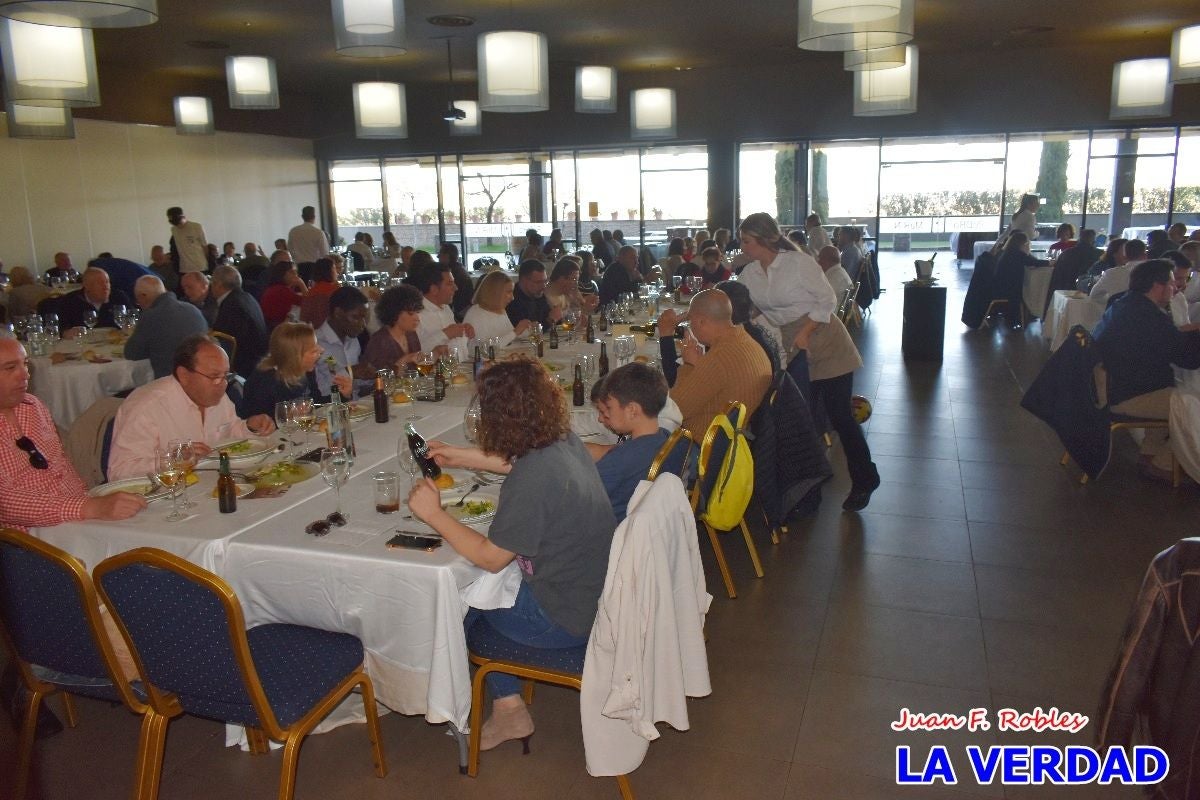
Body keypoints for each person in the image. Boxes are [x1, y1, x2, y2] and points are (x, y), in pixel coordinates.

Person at [407, 357, 616, 752]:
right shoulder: (561, 441)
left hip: (563, 619)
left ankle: (506, 708)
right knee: (479, 588)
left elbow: (490, 557)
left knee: (457, 607)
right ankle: (508, 704)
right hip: (594, 593)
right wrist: (458, 455)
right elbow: (520, 462)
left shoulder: (532, 480)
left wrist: (433, 514)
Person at [738, 212, 880, 511]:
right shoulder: (750, 273)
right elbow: (745, 307)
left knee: (839, 415)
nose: (742, 247)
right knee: (802, 419)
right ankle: (806, 489)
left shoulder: (798, 264)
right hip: (790, 345)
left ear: (764, 240)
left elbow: (827, 300)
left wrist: (806, 331)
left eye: (746, 241)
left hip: (824, 337)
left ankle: (865, 478)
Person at [0, 337, 146, 530]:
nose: (25, 375)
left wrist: (94, 502)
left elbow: (60, 467)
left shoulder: (32, 406)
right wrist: (90, 508)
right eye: (10, 368)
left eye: (25, 364)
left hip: (76, 520)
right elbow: (5, 503)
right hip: (26, 543)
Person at [107, 335, 275, 479]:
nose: (222, 384)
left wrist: (250, 427)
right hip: (166, 498)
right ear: (184, 375)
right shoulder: (146, 407)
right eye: (214, 376)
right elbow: (119, 472)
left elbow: (228, 433)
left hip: (208, 486)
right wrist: (173, 461)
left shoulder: (216, 394)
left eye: (226, 375)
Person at [1093, 259, 1200, 479]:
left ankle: (1150, 454)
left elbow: (1167, 343)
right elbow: (1188, 359)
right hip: (1127, 395)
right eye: (1172, 282)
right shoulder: (1149, 317)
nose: (1176, 287)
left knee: (1174, 388)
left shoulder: (1125, 304)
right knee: (1191, 403)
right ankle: (1164, 464)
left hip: (1112, 386)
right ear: (1157, 286)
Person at [653, 289, 771, 439]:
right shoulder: (744, 340)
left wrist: (688, 365)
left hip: (704, 445)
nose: (690, 326)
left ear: (702, 321)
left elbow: (674, 409)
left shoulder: (719, 357)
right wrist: (698, 365)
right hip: (732, 434)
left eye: (691, 321)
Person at [585, 363, 671, 521]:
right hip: (651, 523)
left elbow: (580, 497)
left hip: (614, 530)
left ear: (632, 410)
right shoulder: (665, 437)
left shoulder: (619, 463)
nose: (603, 415)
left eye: (609, 408)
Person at [239, 322, 351, 418]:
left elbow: (315, 403)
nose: (321, 350)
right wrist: (287, 415)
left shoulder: (306, 371)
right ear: (295, 357)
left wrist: (342, 396)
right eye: (313, 350)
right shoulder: (265, 381)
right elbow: (253, 422)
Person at [124, 275, 210, 378]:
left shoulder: (151, 316)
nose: (139, 304)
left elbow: (132, 354)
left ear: (143, 296)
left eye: (138, 301)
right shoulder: (193, 309)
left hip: (170, 382)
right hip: (202, 377)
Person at [210, 265, 269, 378]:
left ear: (218, 284)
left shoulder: (232, 306)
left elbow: (222, 343)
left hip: (245, 368)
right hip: (259, 359)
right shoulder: (247, 297)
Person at [314, 286, 373, 398]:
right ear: (338, 313)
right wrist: (352, 371)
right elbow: (329, 379)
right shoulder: (318, 343)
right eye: (356, 317)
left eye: (364, 318)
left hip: (354, 406)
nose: (363, 324)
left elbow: (356, 384)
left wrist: (373, 377)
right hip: (327, 407)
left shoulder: (353, 340)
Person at [362, 284, 427, 373]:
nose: (417, 318)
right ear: (395, 314)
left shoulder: (410, 334)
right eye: (411, 313)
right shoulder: (380, 341)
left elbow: (419, 370)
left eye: (417, 312)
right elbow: (376, 379)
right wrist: (404, 360)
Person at [411, 261, 474, 350]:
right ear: (434, 289)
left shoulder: (445, 307)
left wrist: (465, 332)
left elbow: (454, 343)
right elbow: (415, 352)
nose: (456, 288)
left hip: (461, 363)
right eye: (450, 284)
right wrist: (446, 334)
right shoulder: (415, 314)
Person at [465, 271, 535, 347]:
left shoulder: (500, 310)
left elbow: (508, 336)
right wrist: (516, 332)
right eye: (509, 292)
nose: (512, 297)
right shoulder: (476, 314)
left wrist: (528, 330)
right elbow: (487, 347)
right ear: (495, 292)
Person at [993, 232, 1047, 328]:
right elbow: (1035, 262)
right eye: (1027, 243)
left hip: (1000, 287)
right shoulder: (1018, 254)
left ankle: (1029, 314)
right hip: (1008, 291)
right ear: (1023, 244)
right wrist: (1051, 262)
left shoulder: (1007, 252)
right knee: (1033, 290)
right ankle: (1034, 312)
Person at [57, 266, 134, 332]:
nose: (106, 287)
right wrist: (65, 333)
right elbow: (60, 328)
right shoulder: (71, 300)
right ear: (87, 286)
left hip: (115, 342)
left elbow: (132, 320)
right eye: (100, 283)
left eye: (107, 282)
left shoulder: (119, 297)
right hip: (83, 345)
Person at [1045, 229, 1102, 314]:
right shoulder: (1100, 255)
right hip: (1091, 294)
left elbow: (1056, 278)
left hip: (1066, 292)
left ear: (1080, 238)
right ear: (1093, 240)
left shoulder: (1066, 253)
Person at [505, 260, 562, 331]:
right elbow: (523, 333)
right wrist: (550, 320)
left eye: (545, 281)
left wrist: (557, 317)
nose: (543, 286)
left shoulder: (538, 294)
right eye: (538, 282)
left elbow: (553, 318)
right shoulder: (511, 300)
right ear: (524, 280)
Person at [1091, 238, 1147, 308]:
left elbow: (1094, 295)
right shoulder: (1155, 272)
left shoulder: (1111, 273)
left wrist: (1111, 302)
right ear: (1145, 255)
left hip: (1119, 314)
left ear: (1125, 256)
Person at [259, 259, 308, 329]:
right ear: (282, 274)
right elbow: (308, 303)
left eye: (296, 272)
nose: (296, 275)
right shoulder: (282, 290)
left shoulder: (274, 288)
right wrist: (302, 284)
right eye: (292, 272)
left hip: (271, 325)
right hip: (277, 327)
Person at [166, 206, 209, 274]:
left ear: (182, 217)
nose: (179, 226)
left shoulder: (196, 227)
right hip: (184, 267)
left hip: (199, 266)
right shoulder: (174, 230)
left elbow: (205, 247)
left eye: (179, 222)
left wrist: (207, 261)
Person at [437, 242, 475, 321]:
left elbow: (446, 301)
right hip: (466, 309)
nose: (437, 256)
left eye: (439, 254)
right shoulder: (459, 268)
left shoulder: (449, 274)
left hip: (459, 314)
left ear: (446, 256)